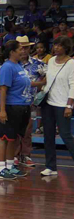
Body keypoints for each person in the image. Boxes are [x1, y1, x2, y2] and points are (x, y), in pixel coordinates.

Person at [0, 40, 32, 180]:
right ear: (12, 52)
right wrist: (3, 111)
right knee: (3, 137)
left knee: (14, 137)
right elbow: (3, 89)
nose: (23, 51)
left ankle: (10, 166)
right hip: (8, 106)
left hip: (20, 107)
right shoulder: (7, 67)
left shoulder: (19, 66)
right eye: (20, 49)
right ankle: (1, 168)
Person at [41, 36, 74, 177]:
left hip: (62, 104)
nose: (56, 47)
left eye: (59, 45)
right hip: (48, 103)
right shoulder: (51, 61)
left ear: (66, 47)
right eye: (55, 45)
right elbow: (47, 80)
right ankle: (50, 166)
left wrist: (69, 106)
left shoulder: (71, 63)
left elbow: (73, 85)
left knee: (65, 135)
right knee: (48, 135)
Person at [15, 36, 46, 167]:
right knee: (15, 129)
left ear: (29, 48)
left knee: (27, 130)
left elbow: (50, 74)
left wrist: (42, 87)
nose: (23, 50)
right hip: (14, 102)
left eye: (26, 47)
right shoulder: (10, 63)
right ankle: (14, 155)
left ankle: (26, 155)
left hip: (30, 103)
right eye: (21, 48)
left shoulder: (38, 64)